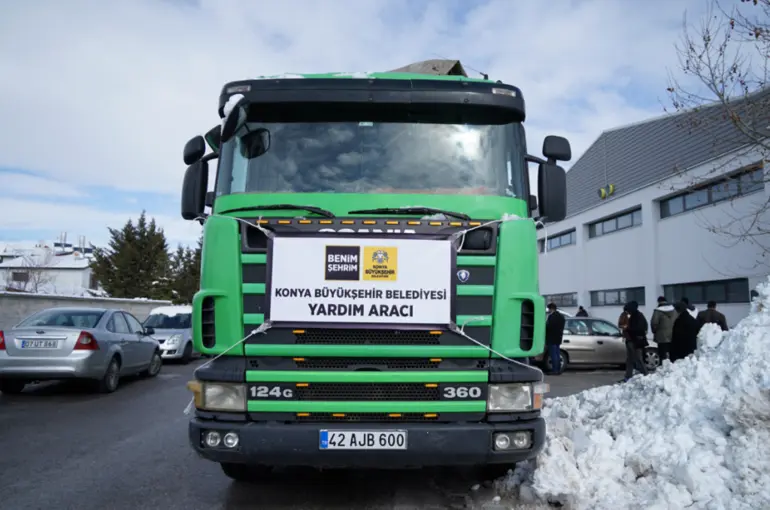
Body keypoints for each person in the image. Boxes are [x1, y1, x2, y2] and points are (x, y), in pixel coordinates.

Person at [623, 301, 649, 381]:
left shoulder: (638, 316)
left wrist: (628, 329)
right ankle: (628, 376)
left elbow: (640, 329)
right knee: (630, 359)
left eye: (627, 310)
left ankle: (646, 375)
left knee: (638, 358)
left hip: (637, 341)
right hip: (631, 340)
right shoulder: (631, 316)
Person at [650, 296, 678, 362]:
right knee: (672, 352)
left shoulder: (657, 311)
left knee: (662, 353)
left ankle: (663, 366)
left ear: (659, 302)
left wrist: (654, 331)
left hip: (661, 336)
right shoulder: (674, 310)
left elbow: (654, 323)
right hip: (673, 335)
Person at [545, 302, 565, 375]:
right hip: (558, 338)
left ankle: (554, 370)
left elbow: (548, 327)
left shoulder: (551, 317)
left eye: (549, 309)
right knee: (557, 354)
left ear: (551, 309)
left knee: (553, 355)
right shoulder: (561, 316)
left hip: (551, 338)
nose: (549, 311)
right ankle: (558, 370)